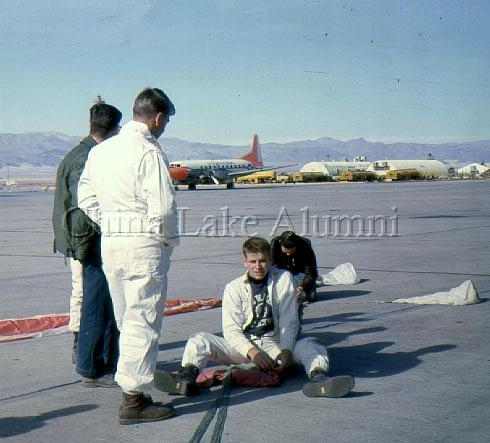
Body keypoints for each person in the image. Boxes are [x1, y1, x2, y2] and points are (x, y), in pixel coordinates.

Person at [78, 87, 179, 424]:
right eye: (165, 123)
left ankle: (134, 389)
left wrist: (110, 222)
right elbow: (163, 207)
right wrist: (162, 239)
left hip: (112, 241)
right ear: (158, 117)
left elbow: (86, 198)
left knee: (126, 318)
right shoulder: (148, 151)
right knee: (143, 319)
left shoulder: (101, 151)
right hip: (142, 243)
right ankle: (133, 401)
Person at [153, 237, 354, 399]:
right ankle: (186, 379)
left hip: (275, 344)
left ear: (270, 260)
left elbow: (289, 320)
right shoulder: (233, 288)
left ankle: (319, 380)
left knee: (313, 344)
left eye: (263, 261)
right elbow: (231, 330)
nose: (258, 266)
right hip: (245, 346)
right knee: (199, 340)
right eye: (253, 261)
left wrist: (286, 350)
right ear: (245, 262)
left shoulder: (284, 279)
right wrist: (252, 353)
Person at [52, 100, 122, 387]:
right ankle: (88, 362)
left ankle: (96, 359)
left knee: (96, 300)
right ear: (114, 130)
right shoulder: (87, 158)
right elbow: (87, 204)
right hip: (88, 240)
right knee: (91, 301)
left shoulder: (83, 153)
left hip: (84, 237)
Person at [271, 230, 319, 303]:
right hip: (282, 267)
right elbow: (269, 268)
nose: (288, 254)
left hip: (300, 269)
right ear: (281, 245)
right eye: (286, 251)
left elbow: (311, 272)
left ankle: (310, 287)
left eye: (291, 251)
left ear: (296, 246)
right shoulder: (274, 245)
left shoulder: (305, 247)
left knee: (310, 296)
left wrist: (302, 287)